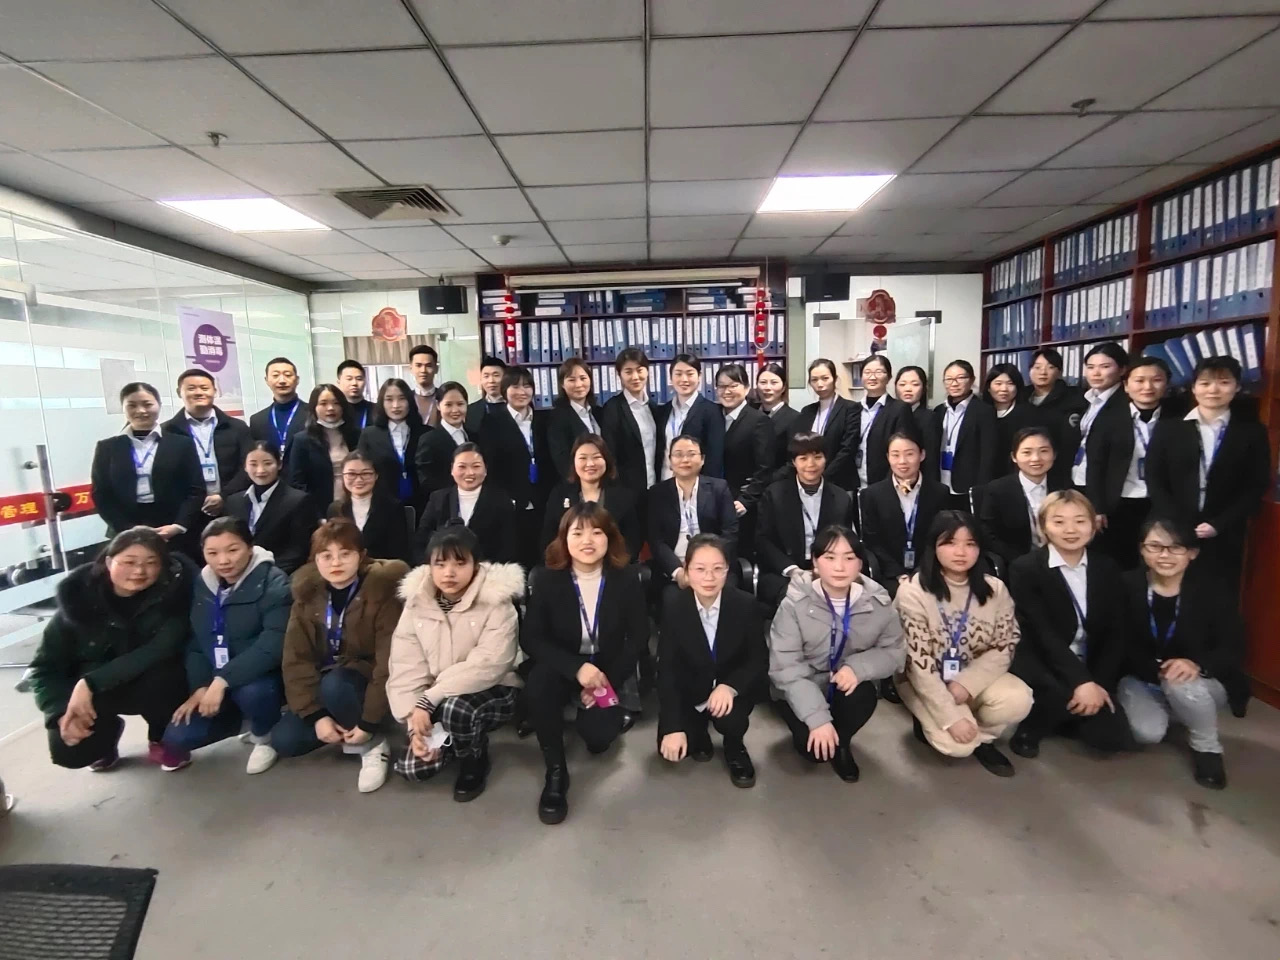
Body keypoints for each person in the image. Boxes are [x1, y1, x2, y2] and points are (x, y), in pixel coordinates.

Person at [28, 527, 195, 772]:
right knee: (70, 751)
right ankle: (105, 738)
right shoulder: (78, 600)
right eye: (129, 562)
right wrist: (59, 711)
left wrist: (89, 683)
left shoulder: (175, 597)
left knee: (168, 676)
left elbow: (159, 649)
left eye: (151, 563)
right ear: (108, 562)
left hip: (148, 682)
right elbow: (44, 668)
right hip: (98, 692)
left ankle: (163, 736)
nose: (139, 571)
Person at [521, 503, 646, 824]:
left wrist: (606, 680)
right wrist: (576, 669)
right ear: (564, 539)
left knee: (599, 740)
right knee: (538, 684)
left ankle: (598, 712)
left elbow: (639, 638)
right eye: (577, 533)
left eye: (596, 532)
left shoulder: (626, 578)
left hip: (607, 669)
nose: (587, 540)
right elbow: (531, 639)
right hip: (564, 665)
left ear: (610, 538)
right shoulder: (547, 579)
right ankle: (556, 771)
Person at [387, 526, 524, 800]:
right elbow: (406, 666)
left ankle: (474, 757)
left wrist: (430, 699)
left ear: (476, 565)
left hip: (496, 687)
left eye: (460, 563)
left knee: (456, 710)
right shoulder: (416, 604)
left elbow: (489, 664)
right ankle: (449, 740)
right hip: (435, 695)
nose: (449, 573)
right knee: (414, 769)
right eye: (440, 564)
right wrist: (414, 724)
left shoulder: (497, 601)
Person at [274, 520, 408, 793]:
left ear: (361, 555)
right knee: (285, 741)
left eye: (345, 554)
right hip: (326, 679)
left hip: (367, 681)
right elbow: (296, 659)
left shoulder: (382, 592)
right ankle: (342, 727)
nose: (336, 563)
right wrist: (316, 716)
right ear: (315, 560)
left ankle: (372, 744)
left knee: (337, 685)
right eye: (326, 556)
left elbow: (389, 662)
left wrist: (369, 721)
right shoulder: (307, 596)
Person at [894, 512, 1031, 777]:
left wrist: (966, 684)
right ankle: (951, 725)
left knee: (1019, 699)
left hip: (974, 677)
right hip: (924, 680)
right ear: (934, 546)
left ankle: (982, 739)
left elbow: (1005, 644)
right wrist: (950, 716)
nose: (961, 552)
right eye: (950, 543)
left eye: (970, 544)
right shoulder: (913, 591)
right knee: (956, 747)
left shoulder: (995, 589)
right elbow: (918, 665)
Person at [1116, 517, 1244, 789]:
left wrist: (1197, 665)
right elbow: (1118, 642)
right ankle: (1184, 710)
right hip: (1142, 677)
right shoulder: (1125, 585)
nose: (1164, 555)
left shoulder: (1213, 590)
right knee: (1147, 733)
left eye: (1175, 547)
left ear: (1192, 553)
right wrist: (1155, 670)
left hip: (1199, 681)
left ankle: (1207, 748)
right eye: (1155, 546)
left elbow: (1232, 646)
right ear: (1142, 549)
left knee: (1181, 684)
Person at [768, 525, 903, 781]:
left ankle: (842, 744)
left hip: (844, 683)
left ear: (860, 563)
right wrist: (817, 718)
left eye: (849, 558)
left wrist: (858, 668)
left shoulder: (878, 602)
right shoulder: (794, 603)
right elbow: (786, 668)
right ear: (815, 562)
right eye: (830, 557)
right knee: (813, 752)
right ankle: (819, 729)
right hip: (803, 684)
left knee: (862, 695)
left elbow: (894, 651)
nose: (840, 567)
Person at [1007, 490, 1132, 758]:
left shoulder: (1107, 567)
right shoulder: (1025, 568)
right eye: (1059, 521)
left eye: (1080, 521)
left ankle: (1070, 712)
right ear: (1043, 527)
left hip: (1089, 658)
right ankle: (1032, 727)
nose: (1071, 530)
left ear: (1093, 525)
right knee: (1056, 694)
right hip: (1042, 657)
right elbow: (1043, 633)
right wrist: (1081, 681)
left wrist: (1099, 683)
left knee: (1112, 739)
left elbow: (1116, 633)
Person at [163, 518, 292, 775]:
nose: (223, 561)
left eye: (233, 550)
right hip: (218, 679)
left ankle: (265, 735)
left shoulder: (274, 582)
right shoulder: (203, 584)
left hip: (264, 677)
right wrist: (200, 686)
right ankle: (244, 720)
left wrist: (222, 681)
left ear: (250, 547)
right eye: (212, 553)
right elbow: (197, 642)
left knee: (253, 693)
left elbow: (273, 644)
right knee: (178, 736)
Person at [1146, 355, 1270, 597]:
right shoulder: (1169, 428)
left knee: (1216, 597)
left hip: (1224, 530)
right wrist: (1176, 522)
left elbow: (1256, 485)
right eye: (1205, 383)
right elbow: (1154, 478)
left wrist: (1219, 524)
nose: (1213, 390)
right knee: (1168, 592)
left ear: (1237, 387)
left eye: (1224, 382)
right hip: (1171, 529)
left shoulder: (1252, 432)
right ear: (1194, 388)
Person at [657, 534, 765, 787]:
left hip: (729, 689)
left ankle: (734, 746)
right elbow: (667, 669)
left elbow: (758, 658)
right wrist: (673, 726)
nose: (709, 577)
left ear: (727, 570)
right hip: (691, 689)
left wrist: (730, 686)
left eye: (717, 569)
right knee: (674, 746)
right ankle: (698, 728)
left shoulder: (745, 604)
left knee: (732, 720)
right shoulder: (674, 606)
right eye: (700, 569)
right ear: (686, 570)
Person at [1082, 355, 1174, 567]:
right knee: (1118, 562)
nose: (1147, 387)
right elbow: (1095, 465)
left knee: (1157, 561)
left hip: (1161, 503)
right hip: (1119, 503)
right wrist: (1097, 507)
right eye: (1139, 380)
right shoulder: (1108, 418)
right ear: (1126, 385)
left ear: (1167, 384)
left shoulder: (1176, 419)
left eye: (1156, 380)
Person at [91, 382, 205, 546]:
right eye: (132, 405)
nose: (141, 410)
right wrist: (126, 528)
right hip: (125, 529)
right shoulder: (107, 448)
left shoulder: (182, 444)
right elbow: (101, 494)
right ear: (123, 408)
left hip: (174, 527)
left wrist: (179, 525)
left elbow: (196, 489)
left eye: (147, 404)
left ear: (159, 405)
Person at [756, 432, 854, 609]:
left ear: (826, 459)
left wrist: (825, 569)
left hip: (831, 569)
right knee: (796, 597)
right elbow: (764, 541)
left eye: (817, 457)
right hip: (785, 572)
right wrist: (792, 570)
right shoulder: (774, 494)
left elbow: (846, 542)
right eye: (803, 458)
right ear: (794, 462)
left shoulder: (841, 498)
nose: (811, 464)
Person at [479, 365, 551, 570]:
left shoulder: (544, 420)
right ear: (504, 390)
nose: (522, 392)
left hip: (543, 502)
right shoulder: (492, 422)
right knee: (516, 561)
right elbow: (490, 466)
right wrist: (505, 499)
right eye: (515, 386)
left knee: (543, 559)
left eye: (527, 386)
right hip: (512, 504)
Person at [648, 435, 738, 596]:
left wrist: (708, 568)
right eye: (678, 454)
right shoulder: (657, 493)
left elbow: (730, 532)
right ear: (670, 461)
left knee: (727, 596)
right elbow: (656, 540)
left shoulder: (719, 488)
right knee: (671, 600)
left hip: (714, 567)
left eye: (691, 454)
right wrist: (678, 572)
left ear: (702, 459)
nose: (685, 460)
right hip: (674, 571)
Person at [859, 432, 948, 595]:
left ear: (922, 455)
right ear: (888, 457)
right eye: (895, 455)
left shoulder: (939, 493)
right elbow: (872, 541)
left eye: (909, 454)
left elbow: (940, 537)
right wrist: (898, 574)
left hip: (929, 571)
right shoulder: (872, 495)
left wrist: (921, 571)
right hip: (888, 574)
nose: (902, 461)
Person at [160, 368, 252, 523]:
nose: (198, 393)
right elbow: (166, 475)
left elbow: (248, 466)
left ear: (215, 391)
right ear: (179, 392)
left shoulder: (237, 427)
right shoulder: (167, 431)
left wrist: (223, 496)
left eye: (204, 388)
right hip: (186, 512)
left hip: (232, 506)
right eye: (191, 388)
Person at [223, 442, 318, 576]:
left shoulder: (298, 500)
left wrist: (264, 574)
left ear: (279, 464)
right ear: (245, 466)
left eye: (267, 463)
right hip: (238, 573)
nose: (260, 470)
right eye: (253, 464)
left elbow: (298, 550)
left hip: (279, 574)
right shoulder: (233, 501)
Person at [542, 433, 641, 560]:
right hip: (569, 566)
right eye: (583, 458)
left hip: (614, 566)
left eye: (596, 457)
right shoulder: (559, 495)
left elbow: (632, 542)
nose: (590, 464)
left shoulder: (624, 496)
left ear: (606, 460)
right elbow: (548, 539)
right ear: (574, 462)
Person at [600, 348, 669, 525]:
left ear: (648, 371)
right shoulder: (613, 408)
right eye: (628, 371)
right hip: (626, 492)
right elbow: (609, 455)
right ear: (619, 375)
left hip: (654, 489)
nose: (635, 377)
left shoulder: (654, 407)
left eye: (640, 370)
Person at [417, 444, 517, 565]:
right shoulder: (438, 499)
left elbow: (508, 546)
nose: (470, 473)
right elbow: (421, 541)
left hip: (487, 570)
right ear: (452, 469)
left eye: (476, 466)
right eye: (462, 467)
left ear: (485, 469)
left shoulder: (501, 500)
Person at [979, 427, 1064, 569]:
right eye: (1027, 452)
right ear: (1014, 457)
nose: (1036, 458)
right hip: (1016, 563)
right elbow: (988, 534)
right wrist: (1021, 561)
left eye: (1044, 451)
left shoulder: (1064, 487)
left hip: (1060, 558)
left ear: (1054, 454)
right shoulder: (997, 490)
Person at [716, 363, 774, 558]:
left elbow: (765, 468)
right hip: (714, 499)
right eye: (722, 386)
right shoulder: (714, 416)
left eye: (733, 385)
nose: (727, 391)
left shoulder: (758, 420)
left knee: (738, 556)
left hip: (741, 503)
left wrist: (746, 500)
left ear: (747, 388)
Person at [1069, 343, 1129, 526]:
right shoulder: (1087, 399)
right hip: (1080, 478)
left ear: (1122, 369)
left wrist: (1099, 504)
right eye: (1090, 367)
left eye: (1105, 367)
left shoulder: (1124, 404)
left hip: (1105, 490)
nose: (1096, 373)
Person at [286, 384, 360, 521]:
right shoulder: (302, 440)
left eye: (336, 403)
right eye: (323, 403)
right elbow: (297, 482)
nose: (330, 408)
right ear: (314, 407)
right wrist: (315, 515)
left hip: (355, 505)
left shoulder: (356, 435)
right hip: (319, 511)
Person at [930, 360, 997, 510]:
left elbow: (988, 454)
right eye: (949, 379)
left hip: (968, 485)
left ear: (972, 380)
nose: (954, 383)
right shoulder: (939, 411)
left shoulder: (984, 411)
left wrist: (981, 489)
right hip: (940, 483)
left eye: (960, 378)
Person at [328, 452, 411, 564]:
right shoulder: (335, 509)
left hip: (381, 568)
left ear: (376, 476)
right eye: (351, 474)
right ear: (343, 476)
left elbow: (399, 552)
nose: (358, 480)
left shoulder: (392, 507)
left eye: (366, 473)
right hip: (343, 566)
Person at [357, 377, 426, 511]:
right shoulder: (369, 435)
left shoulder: (425, 433)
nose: (396, 405)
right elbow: (363, 469)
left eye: (402, 399)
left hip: (422, 502)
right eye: (389, 400)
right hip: (383, 503)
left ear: (410, 401)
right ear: (381, 403)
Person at [1025, 348, 1087, 486]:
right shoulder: (1022, 397)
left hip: (1061, 469)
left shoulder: (1074, 399)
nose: (1043, 372)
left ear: (1059, 372)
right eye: (1037, 367)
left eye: (1050, 367)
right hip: (1027, 467)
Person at [794, 358, 859, 490]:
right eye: (814, 380)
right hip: (809, 479)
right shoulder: (807, 411)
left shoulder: (850, 408)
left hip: (840, 481)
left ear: (835, 379)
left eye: (825, 378)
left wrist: (824, 475)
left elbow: (848, 448)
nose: (820, 384)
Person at [856, 354, 915, 490]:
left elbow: (903, 449)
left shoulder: (899, 408)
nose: (872, 377)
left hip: (885, 482)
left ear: (888, 377)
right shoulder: (854, 409)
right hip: (855, 481)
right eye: (867, 372)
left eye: (879, 372)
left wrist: (900, 485)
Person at [662, 353, 725, 479]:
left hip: (695, 484)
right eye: (678, 374)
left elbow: (714, 458)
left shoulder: (711, 411)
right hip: (665, 481)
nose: (684, 379)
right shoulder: (663, 411)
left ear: (699, 376)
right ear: (671, 378)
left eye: (690, 374)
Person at [414, 380, 472, 503]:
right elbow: (426, 480)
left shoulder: (474, 436)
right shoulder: (429, 440)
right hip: (444, 504)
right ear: (438, 405)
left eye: (460, 404)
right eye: (448, 405)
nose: (455, 410)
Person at [547, 357, 603, 482]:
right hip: (577, 484)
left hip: (604, 482)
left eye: (583, 378)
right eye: (571, 380)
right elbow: (561, 460)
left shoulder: (599, 412)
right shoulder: (556, 417)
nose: (578, 384)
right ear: (562, 384)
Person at [981, 363, 1040, 478]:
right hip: (985, 476)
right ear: (988, 387)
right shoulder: (979, 412)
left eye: (1010, 384)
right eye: (998, 383)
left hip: (1017, 475)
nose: (1004, 389)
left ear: (1018, 387)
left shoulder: (1029, 414)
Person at [249, 357, 307, 456]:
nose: (282, 380)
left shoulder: (312, 413)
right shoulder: (257, 420)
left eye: (288, 375)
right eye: (275, 375)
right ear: (266, 380)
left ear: (297, 380)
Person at [755, 361, 799, 472]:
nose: (767, 387)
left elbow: (793, 461)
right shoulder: (751, 415)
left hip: (779, 479)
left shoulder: (795, 418)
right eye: (763, 382)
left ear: (783, 387)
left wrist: (770, 479)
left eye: (774, 383)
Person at [894, 365, 935, 458]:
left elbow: (931, 456)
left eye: (915, 384)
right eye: (902, 384)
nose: (908, 389)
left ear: (924, 388)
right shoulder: (890, 414)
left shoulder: (930, 418)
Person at [466, 355, 507, 434]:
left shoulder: (515, 407)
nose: (491, 380)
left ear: (505, 378)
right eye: (486, 376)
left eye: (496, 375)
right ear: (481, 379)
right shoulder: (471, 410)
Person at [409, 344, 442, 426]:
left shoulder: (444, 397)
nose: (423, 370)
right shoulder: (405, 399)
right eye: (418, 365)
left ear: (436, 369)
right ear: (411, 369)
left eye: (428, 366)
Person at [336, 359, 374, 431]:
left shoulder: (376, 410)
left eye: (359, 379)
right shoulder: (334, 410)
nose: (354, 383)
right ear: (338, 382)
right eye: (349, 379)